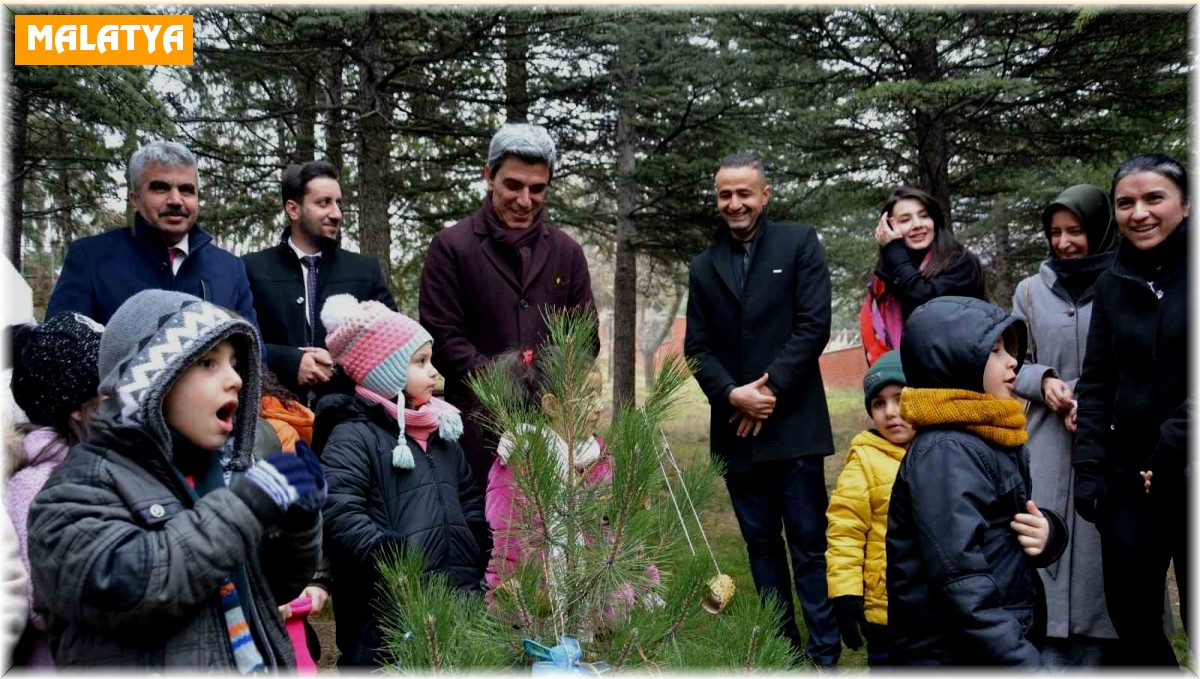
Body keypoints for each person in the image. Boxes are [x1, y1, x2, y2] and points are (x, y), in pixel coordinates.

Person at [26, 289, 324, 670]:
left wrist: (299, 523)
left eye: (234, 364)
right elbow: (132, 587)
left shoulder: (217, 477)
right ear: (151, 380)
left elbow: (270, 588)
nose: (235, 379)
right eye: (208, 363)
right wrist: (249, 504)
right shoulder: (75, 489)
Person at [683, 152, 840, 666]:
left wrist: (765, 393)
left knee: (809, 545)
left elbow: (813, 325)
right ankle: (785, 652)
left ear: (765, 195)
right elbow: (697, 348)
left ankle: (824, 652)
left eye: (744, 193)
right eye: (725, 194)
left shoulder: (799, 243)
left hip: (794, 426)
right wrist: (733, 394)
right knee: (761, 547)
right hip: (736, 431)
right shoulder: (703, 267)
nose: (735, 203)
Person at [886, 296, 1067, 666]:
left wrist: (1049, 533)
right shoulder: (946, 451)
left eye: (1009, 351)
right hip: (957, 653)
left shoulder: (987, 436)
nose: (1012, 361)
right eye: (995, 351)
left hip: (989, 644)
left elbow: (1003, 528)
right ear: (953, 363)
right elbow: (959, 579)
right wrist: (1021, 661)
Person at [419, 123, 598, 491]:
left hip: (555, 436)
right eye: (513, 185)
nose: (525, 200)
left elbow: (585, 338)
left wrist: (545, 387)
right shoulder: (452, 248)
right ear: (489, 176)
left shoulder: (567, 252)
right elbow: (445, 340)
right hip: (475, 439)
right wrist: (512, 384)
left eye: (537, 189)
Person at [315, 294, 488, 668]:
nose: (433, 372)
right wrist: (391, 559)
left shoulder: (442, 432)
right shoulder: (353, 436)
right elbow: (338, 510)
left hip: (457, 602)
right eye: (419, 362)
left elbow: (469, 499)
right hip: (385, 617)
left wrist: (475, 544)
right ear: (384, 371)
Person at [1073, 154, 1190, 666]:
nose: (1139, 213)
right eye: (1126, 203)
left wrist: (1174, 445)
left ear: (1185, 205)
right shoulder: (1111, 282)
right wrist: (1089, 466)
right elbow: (1097, 381)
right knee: (1132, 616)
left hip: (1185, 464)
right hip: (1130, 477)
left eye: (1153, 198)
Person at [1010, 184, 1119, 666]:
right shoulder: (1030, 291)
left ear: (1100, 229)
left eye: (1075, 230)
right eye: (1055, 232)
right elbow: (1012, 361)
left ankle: (1109, 650)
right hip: (1047, 440)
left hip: (1110, 435)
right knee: (1044, 535)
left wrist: (1093, 399)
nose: (1064, 243)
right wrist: (1043, 381)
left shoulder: (1125, 280)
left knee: (1102, 548)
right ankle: (1045, 644)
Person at [46, 141, 257, 327]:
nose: (176, 200)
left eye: (186, 190)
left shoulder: (230, 269)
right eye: (160, 188)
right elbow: (60, 346)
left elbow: (252, 350)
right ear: (135, 199)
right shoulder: (90, 258)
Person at [244, 160, 396, 406]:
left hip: (349, 416)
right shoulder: (252, 269)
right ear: (293, 209)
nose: (336, 214)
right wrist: (289, 362)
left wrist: (337, 365)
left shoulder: (364, 270)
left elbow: (392, 344)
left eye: (338, 203)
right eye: (324, 203)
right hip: (273, 414)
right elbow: (239, 342)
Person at [5, 313, 104, 667]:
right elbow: (40, 601)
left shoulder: (103, 465)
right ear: (78, 409)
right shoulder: (33, 485)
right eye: (108, 389)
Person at [825, 350, 911, 667]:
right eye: (878, 403)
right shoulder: (864, 461)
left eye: (900, 399)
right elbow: (844, 532)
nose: (890, 412)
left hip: (938, 609)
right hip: (886, 611)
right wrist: (846, 595)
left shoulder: (942, 452)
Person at [860, 185, 986, 365]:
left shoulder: (961, 263)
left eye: (924, 216)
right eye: (905, 220)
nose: (917, 225)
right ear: (888, 228)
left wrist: (894, 252)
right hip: (902, 375)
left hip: (958, 370)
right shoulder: (883, 279)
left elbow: (924, 302)